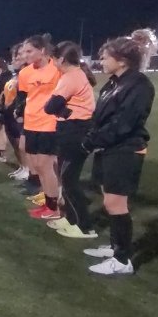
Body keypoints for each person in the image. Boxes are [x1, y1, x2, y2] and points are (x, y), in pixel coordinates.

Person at [83, 35, 156, 276]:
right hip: (109, 148)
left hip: (125, 149)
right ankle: (116, 246)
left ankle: (122, 260)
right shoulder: (114, 83)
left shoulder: (139, 85)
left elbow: (124, 123)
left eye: (105, 57)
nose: (101, 61)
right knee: (108, 200)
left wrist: (93, 141)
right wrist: (93, 137)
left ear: (122, 60)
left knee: (116, 203)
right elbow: (100, 117)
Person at [44, 41, 99, 239]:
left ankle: (85, 227)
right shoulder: (74, 75)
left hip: (75, 131)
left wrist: (62, 111)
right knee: (66, 176)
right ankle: (71, 218)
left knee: (69, 179)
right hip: (72, 128)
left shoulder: (71, 77)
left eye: (53, 59)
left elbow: (50, 107)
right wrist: (65, 111)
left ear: (61, 59)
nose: (52, 63)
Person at [17, 34, 63, 220]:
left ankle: (54, 207)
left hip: (49, 123)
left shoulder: (57, 69)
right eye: (24, 52)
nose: (25, 55)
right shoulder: (25, 73)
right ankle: (48, 202)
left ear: (42, 50)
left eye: (29, 51)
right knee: (37, 166)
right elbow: (24, 97)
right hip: (30, 123)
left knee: (45, 166)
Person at [2, 45, 30, 183]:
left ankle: (27, 168)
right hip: (9, 113)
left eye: (17, 56)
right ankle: (22, 166)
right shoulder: (16, 75)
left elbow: (25, 96)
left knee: (21, 144)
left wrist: (18, 111)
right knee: (14, 141)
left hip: (18, 114)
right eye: (13, 57)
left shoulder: (27, 74)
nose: (13, 60)